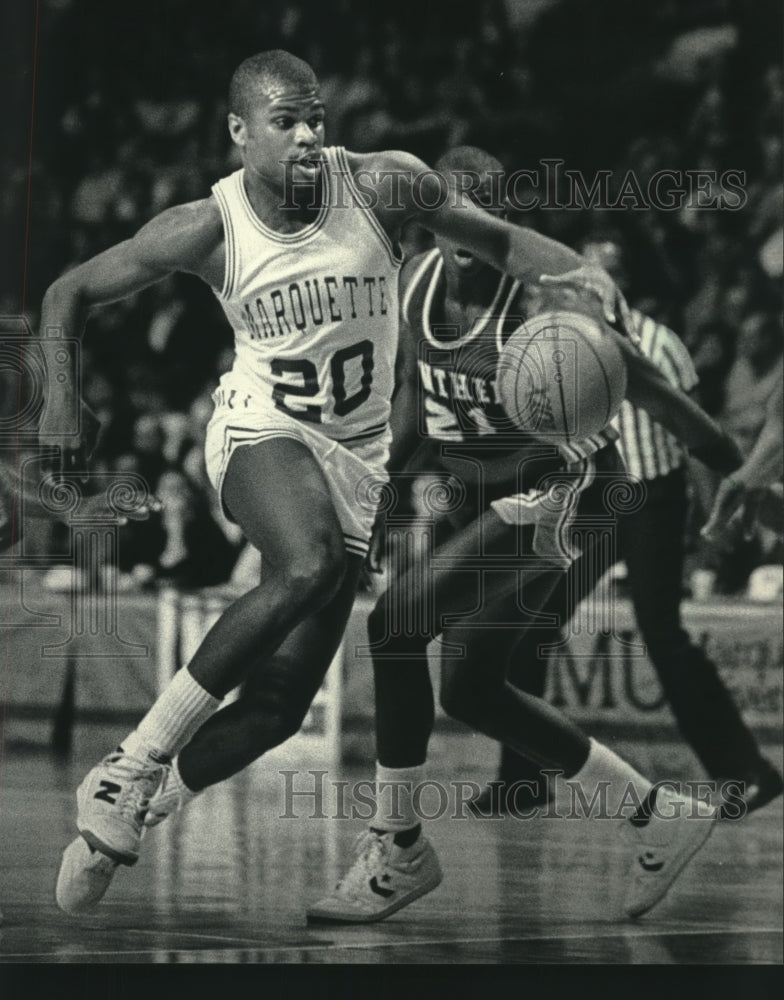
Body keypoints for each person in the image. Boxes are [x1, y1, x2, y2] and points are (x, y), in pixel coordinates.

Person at [47, 52, 624, 914]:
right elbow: (69, 291)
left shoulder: (387, 188)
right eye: (287, 121)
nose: (311, 133)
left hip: (354, 465)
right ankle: (127, 766)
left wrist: (576, 269)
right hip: (259, 433)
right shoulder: (208, 225)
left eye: (317, 116)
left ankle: (125, 821)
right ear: (240, 133)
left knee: (278, 706)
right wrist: (61, 392)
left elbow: (497, 241)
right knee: (308, 561)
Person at [306, 147, 745, 925]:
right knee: (470, 687)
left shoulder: (548, 301)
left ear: (499, 220)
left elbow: (655, 394)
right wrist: (381, 492)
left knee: (396, 623)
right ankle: (656, 813)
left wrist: (742, 478)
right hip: (489, 495)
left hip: (569, 490)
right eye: (444, 208)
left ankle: (397, 845)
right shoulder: (410, 284)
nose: (455, 226)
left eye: (476, 210)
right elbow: (414, 394)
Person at [478, 238, 782, 818]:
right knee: (530, 623)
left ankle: (746, 769)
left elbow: (696, 438)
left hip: (652, 497)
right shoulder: (562, 340)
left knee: (661, 632)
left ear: (612, 286)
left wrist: (712, 518)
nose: (570, 287)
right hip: (595, 495)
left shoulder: (660, 344)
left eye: (589, 278)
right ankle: (523, 778)